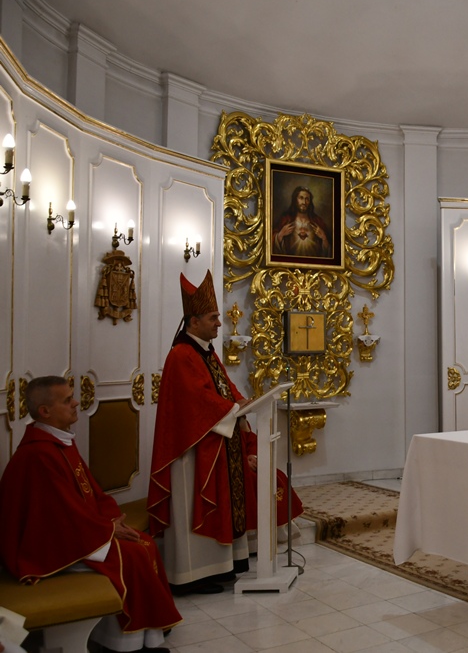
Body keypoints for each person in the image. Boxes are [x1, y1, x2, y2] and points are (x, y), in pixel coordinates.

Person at [0, 376, 180, 653]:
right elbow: (56, 519)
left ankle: (148, 633)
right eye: (67, 400)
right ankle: (125, 645)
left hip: (75, 534)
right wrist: (107, 530)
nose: (76, 403)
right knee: (132, 554)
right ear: (45, 411)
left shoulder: (59, 441)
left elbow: (91, 493)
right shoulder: (38, 455)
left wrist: (111, 520)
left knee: (144, 543)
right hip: (45, 549)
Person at [148, 270, 252, 595]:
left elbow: (225, 386)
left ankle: (217, 567)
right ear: (193, 322)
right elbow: (197, 399)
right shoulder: (182, 355)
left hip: (215, 441)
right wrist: (233, 409)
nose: (219, 323)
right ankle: (191, 575)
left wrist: (242, 402)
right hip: (191, 450)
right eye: (213, 318)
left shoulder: (206, 351)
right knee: (192, 507)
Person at [272, 185, 331, 257]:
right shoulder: (286, 220)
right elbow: (271, 247)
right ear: (295, 200)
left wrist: (324, 238)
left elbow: (330, 252)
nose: (304, 202)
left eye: (307, 199)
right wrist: (280, 234)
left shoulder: (317, 221)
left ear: (310, 202)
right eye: (301, 198)